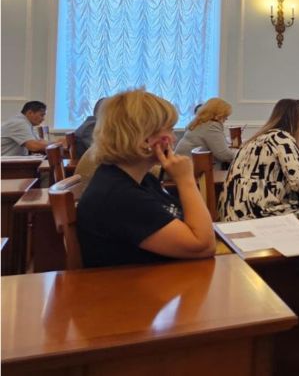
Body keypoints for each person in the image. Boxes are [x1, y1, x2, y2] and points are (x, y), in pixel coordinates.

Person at [76, 89, 215, 268]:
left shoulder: (143, 180)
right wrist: (185, 180)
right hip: (133, 283)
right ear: (144, 140)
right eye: (169, 130)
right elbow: (203, 245)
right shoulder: (119, 196)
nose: (173, 138)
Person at [219, 99, 299, 221]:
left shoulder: (258, 137)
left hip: (232, 212)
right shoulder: (282, 139)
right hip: (258, 213)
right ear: (298, 121)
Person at [175, 98, 238, 163]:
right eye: (225, 115)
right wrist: (241, 155)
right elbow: (224, 155)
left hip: (181, 163)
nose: (226, 118)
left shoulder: (200, 122)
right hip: (191, 165)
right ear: (218, 114)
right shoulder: (211, 125)